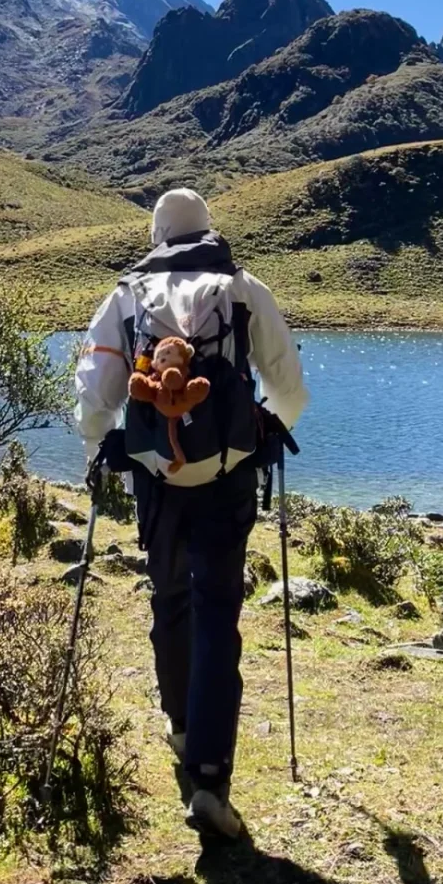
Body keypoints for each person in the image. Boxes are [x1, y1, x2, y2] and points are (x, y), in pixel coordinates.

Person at [74, 187, 308, 839]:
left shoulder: (125, 296)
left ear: (156, 235)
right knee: (217, 615)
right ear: (210, 229)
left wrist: (100, 449)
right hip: (227, 478)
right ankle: (210, 775)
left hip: (156, 480)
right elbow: (289, 389)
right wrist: (263, 432)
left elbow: (96, 392)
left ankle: (179, 728)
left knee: (168, 599)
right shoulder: (241, 290)